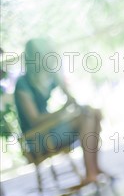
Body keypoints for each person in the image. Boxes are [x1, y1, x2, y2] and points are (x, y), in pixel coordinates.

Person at [14, 38, 105, 186]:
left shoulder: (50, 75)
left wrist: (81, 106)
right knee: (85, 118)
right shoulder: (23, 83)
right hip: (37, 138)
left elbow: (72, 101)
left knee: (93, 113)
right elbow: (34, 119)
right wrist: (63, 112)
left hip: (50, 131)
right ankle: (91, 172)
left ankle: (94, 168)